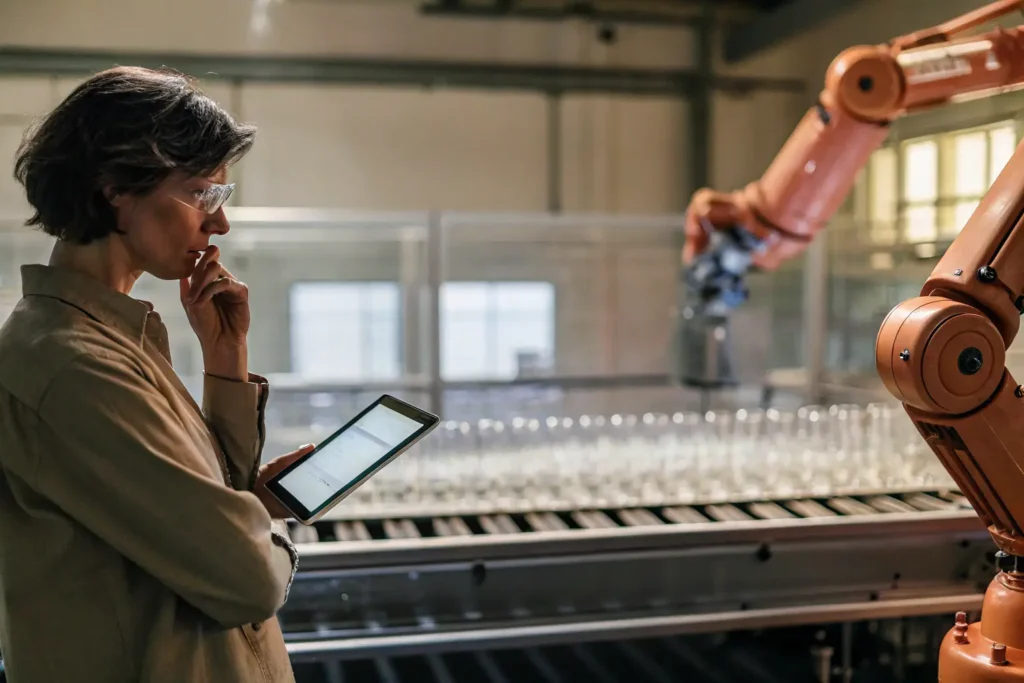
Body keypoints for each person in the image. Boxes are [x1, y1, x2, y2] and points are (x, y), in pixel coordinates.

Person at [0, 66, 314, 683]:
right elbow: (247, 580)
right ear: (117, 185)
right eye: (204, 195)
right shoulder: (73, 366)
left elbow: (195, 511)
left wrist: (226, 358)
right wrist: (261, 526)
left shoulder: (113, 339)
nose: (219, 224)